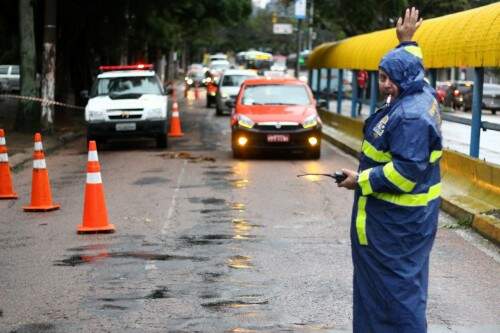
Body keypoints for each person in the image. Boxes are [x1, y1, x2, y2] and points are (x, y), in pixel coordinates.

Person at [338, 7, 442, 333]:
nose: (383, 85)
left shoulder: (409, 116)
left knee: (394, 299)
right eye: (381, 77)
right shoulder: (418, 89)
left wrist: (360, 180)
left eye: (387, 78)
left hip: (394, 229)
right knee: (391, 294)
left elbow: (405, 173)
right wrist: (407, 41)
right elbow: (413, 62)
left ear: (402, 78)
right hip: (403, 225)